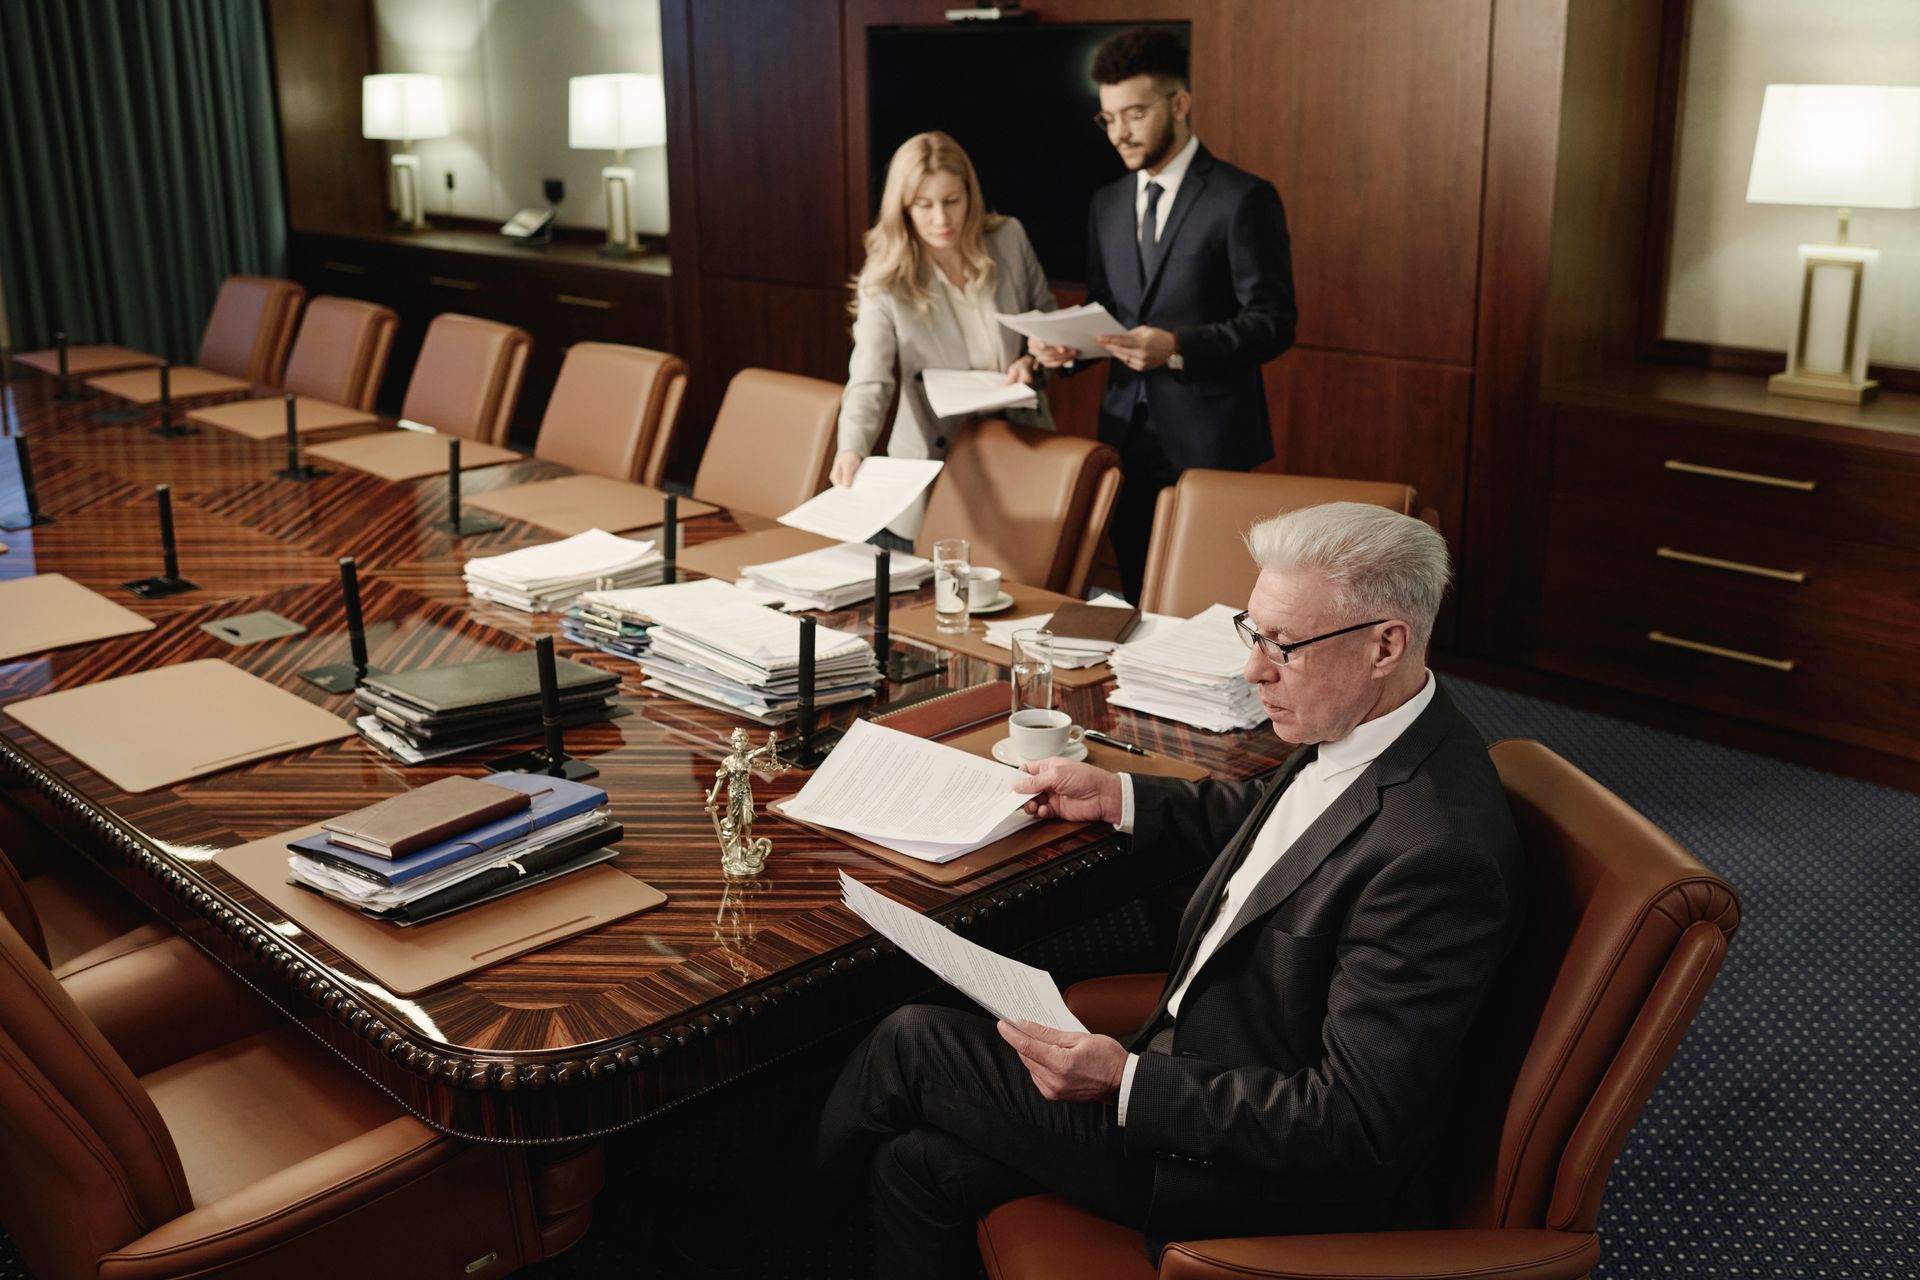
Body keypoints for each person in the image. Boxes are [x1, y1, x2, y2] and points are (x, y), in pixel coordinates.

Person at [813, 503, 1525, 1276]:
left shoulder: (1436, 855)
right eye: (1253, 635)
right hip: (1200, 1073)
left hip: (1256, 1173)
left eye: (1283, 646)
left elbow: (1351, 1121)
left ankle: (770, 1248)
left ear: (1387, 644)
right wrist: (1119, 795)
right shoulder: (1376, 729)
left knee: (913, 1041)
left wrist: (1127, 1081)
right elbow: (1289, 828)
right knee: (917, 1166)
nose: (1255, 672)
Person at [1031, 28, 1297, 602]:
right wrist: (1070, 350)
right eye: (1108, 119)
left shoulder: (1242, 198)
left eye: (1134, 114)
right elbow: (1110, 312)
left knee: (1209, 603)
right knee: (1133, 594)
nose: (1119, 133)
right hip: (1125, 435)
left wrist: (1175, 346)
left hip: (1212, 439)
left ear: (1179, 104)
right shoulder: (1106, 204)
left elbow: (1274, 321)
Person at [833, 131, 1058, 545]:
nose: (942, 218)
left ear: (970, 194)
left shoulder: (1008, 239)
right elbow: (871, 381)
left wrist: (1034, 360)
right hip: (936, 458)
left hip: (1021, 443)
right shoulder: (884, 280)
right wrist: (851, 448)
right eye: (925, 205)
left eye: (952, 201)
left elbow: (1043, 322)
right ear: (903, 207)